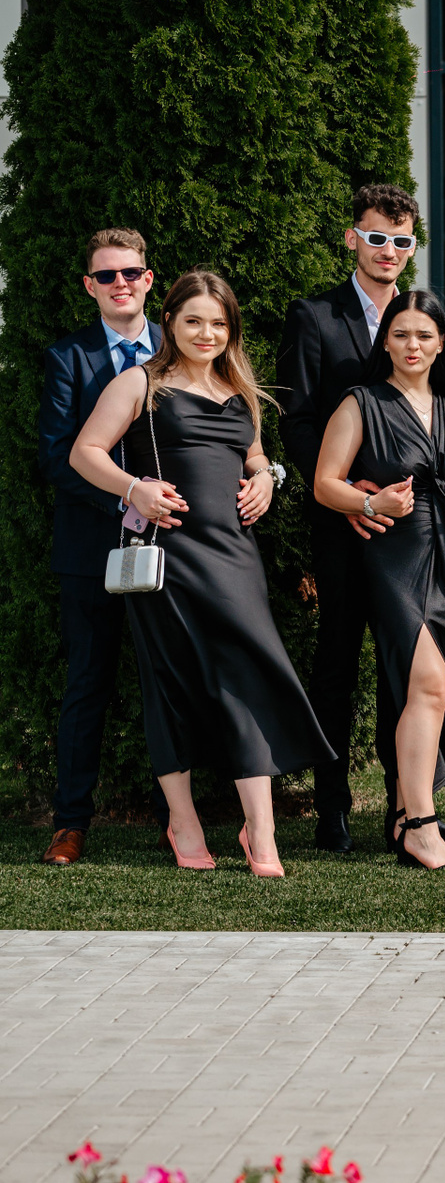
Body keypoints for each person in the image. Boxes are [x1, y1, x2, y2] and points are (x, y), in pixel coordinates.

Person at [70, 270, 336, 876]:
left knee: (249, 677)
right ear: (169, 322)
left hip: (236, 556)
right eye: (193, 321)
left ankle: (259, 829)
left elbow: (255, 455)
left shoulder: (241, 391)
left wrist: (266, 478)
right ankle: (183, 821)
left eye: (218, 323)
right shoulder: (140, 383)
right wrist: (134, 488)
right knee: (171, 684)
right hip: (168, 557)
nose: (206, 333)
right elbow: (84, 452)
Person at [313, 291, 445, 869]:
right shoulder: (361, 402)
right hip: (393, 559)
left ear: (441, 342)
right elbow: (325, 484)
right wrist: (372, 506)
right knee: (430, 685)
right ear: (385, 343)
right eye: (400, 335)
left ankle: (403, 815)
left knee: (421, 690)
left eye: (423, 335)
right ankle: (421, 826)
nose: (412, 345)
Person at [279, 184, 428, 853]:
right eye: (376, 238)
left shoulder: (419, 315)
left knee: (406, 665)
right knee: (336, 662)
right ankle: (332, 808)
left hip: (408, 524)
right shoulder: (314, 315)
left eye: (401, 240)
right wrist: (343, 490)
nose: (388, 250)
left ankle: (405, 805)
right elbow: (297, 417)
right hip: (340, 519)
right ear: (352, 239)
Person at [36, 228, 169, 865]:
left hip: (176, 542)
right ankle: (70, 824)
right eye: (108, 275)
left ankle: (181, 821)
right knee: (87, 686)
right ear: (90, 286)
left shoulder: (180, 345)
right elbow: (57, 457)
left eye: (131, 273)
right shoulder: (68, 357)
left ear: (149, 279)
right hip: (91, 546)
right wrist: (126, 497)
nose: (122, 284)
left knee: (172, 682)